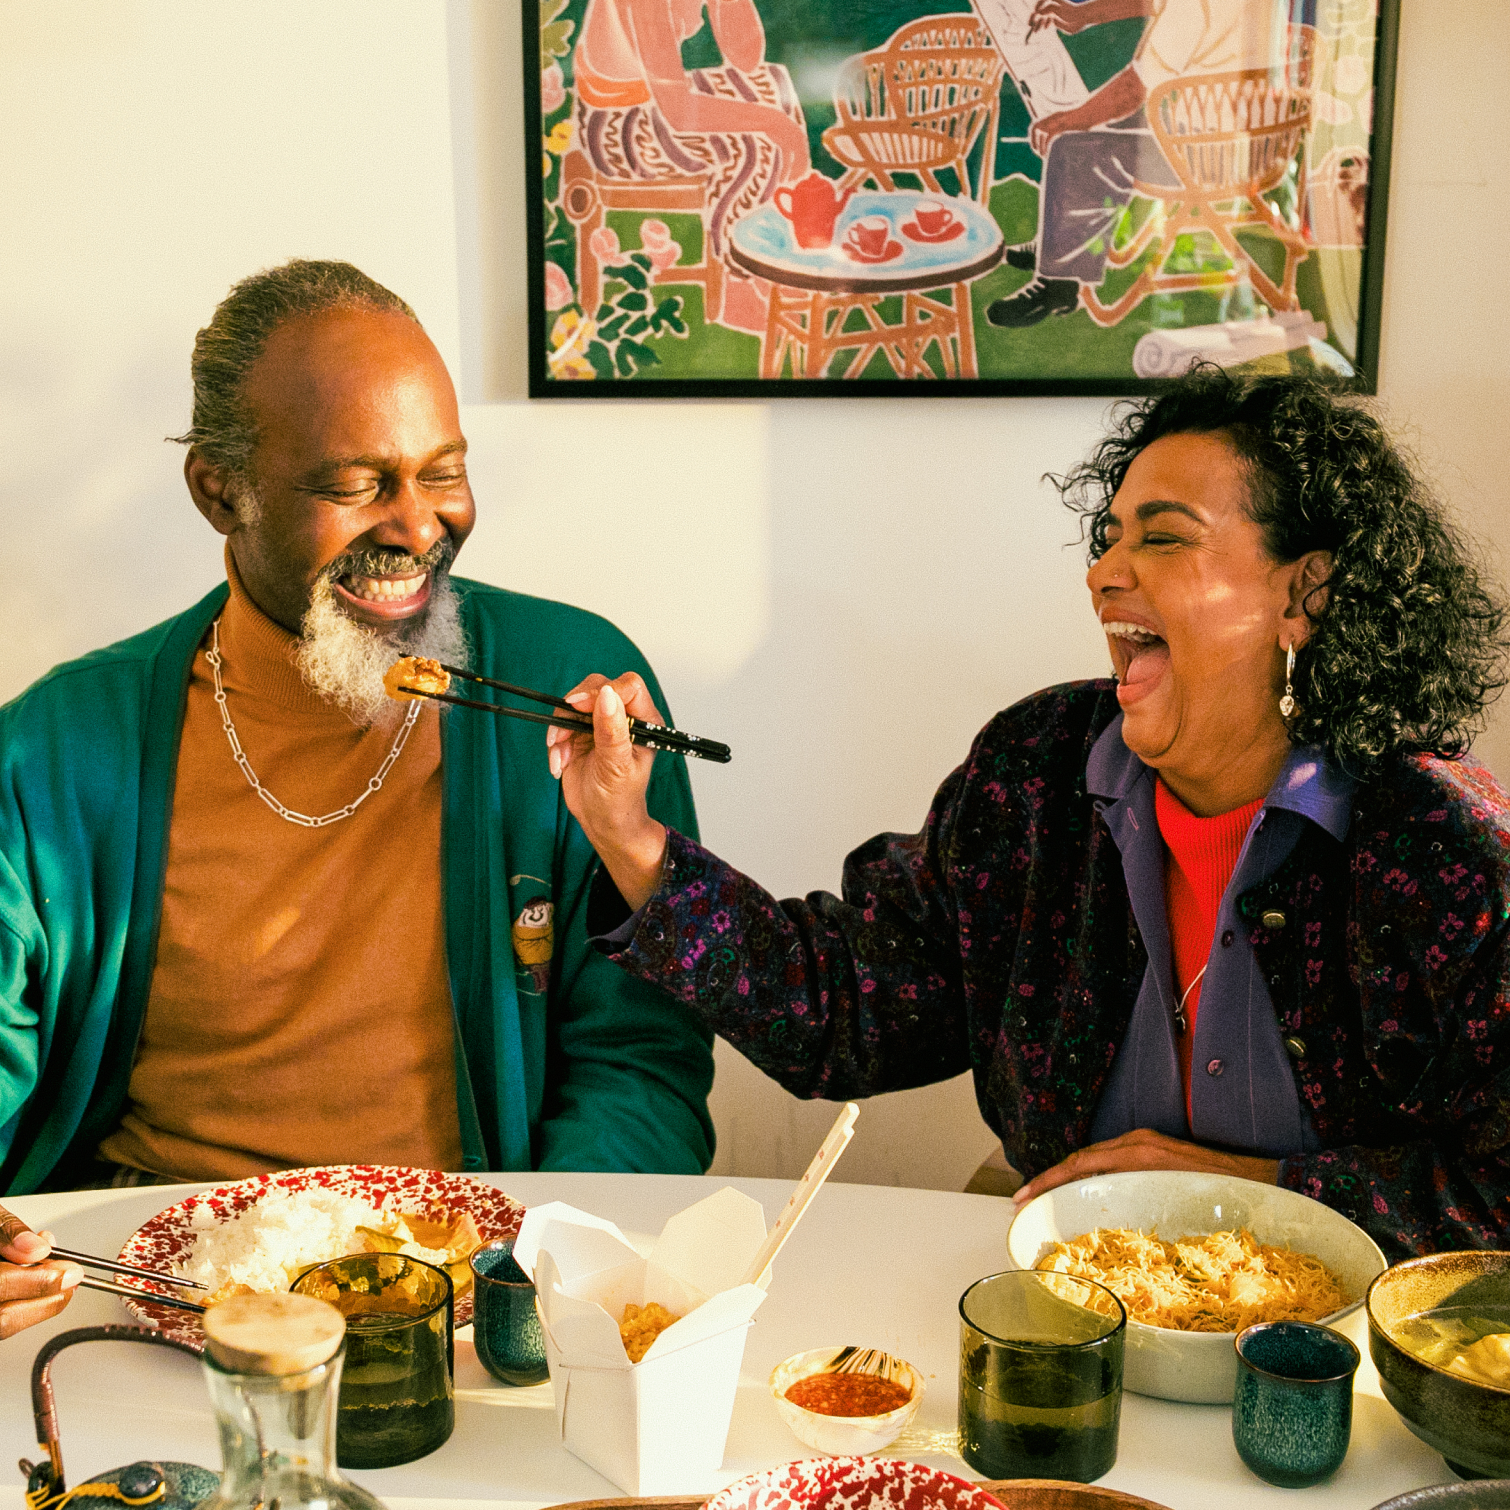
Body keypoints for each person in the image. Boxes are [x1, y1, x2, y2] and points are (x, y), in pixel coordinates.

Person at [550, 366, 1510, 1263]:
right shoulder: (1037, 769)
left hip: (1337, 1361)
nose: (1103, 574)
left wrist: (1257, 1195)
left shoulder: (1441, 850)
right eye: (1111, 539)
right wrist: (628, 836)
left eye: (1163, 538)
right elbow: (845, 1008)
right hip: (1065, 1281)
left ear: (1305, 594)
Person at [0, 259, 715, 1332]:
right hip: (144, 1296)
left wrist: (541, 1266)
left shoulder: (570, 685)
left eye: (442, 472)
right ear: (218, 491)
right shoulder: (57, 746)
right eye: (355, 484)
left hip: (481, 1294)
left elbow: (644, 1055)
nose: (418, 526)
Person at [988, 0, 1286, 327]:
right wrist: (1085, 14)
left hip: (1209, 153)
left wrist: (1066, 122)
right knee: (1100, 127)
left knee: (1075, 147)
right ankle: (1058, 244)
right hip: (1259, 143)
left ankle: (1058, 285)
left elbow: (1133, 88)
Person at [569, 0, 809, 332]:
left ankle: (780, 256)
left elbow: (748, 60)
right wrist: (778, 125)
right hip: (614, 127)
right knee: (754, 142)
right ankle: (736, 285)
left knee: (775, 82)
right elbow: (679, 114)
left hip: (655, 105)